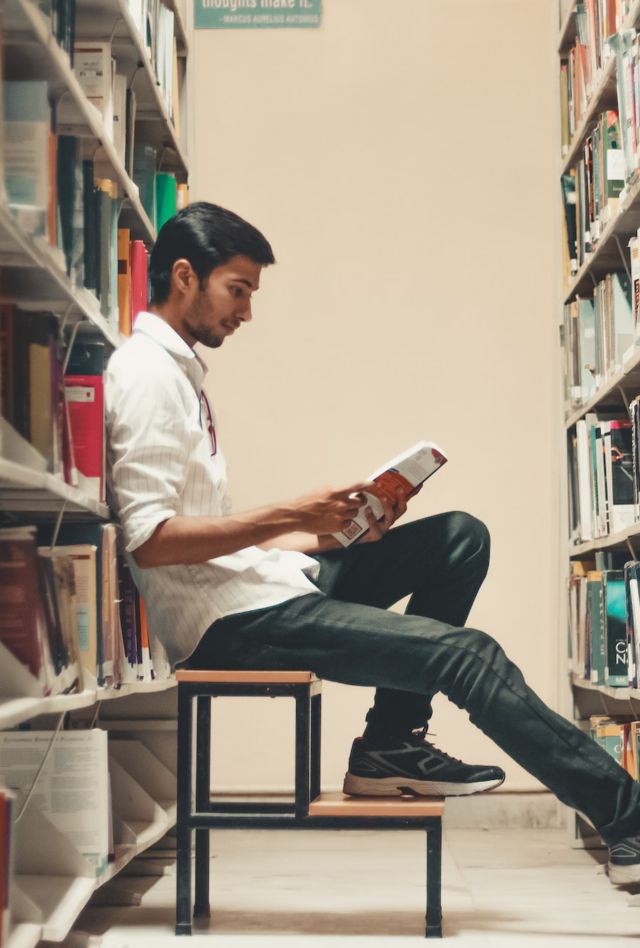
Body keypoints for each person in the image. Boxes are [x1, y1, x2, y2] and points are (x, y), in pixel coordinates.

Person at [106, 202, 640, 885]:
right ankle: (627, 818)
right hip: (228, 624)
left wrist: (326, 530)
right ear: (184, 276)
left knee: (458, 539)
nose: (246, 313)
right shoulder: (147, 377)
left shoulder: (179, 375)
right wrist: (283, 515)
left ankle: (388, 745)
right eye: (238, 290)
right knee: (464, 656)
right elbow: (150, 542)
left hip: (258, 584)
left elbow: (208, 530)